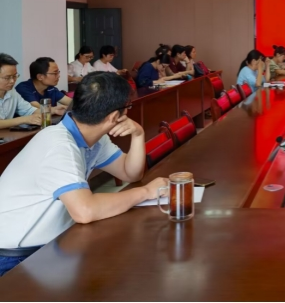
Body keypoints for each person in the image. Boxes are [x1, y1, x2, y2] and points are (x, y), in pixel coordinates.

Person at [0, 72, 167, 276]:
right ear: (114, 117)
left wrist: (138, 134)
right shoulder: (59, 145)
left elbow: (130, 173)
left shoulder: (92, 137)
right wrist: (146, 192)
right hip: (14, 257)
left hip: (50, 244)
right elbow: (85, 211)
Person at [0, 54, 42, 129]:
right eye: (7, 78)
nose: (12, 81)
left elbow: (29, 110)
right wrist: (24, 119)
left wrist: (43, 114)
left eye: (14, 76)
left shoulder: (12, 92)